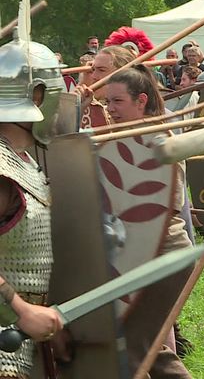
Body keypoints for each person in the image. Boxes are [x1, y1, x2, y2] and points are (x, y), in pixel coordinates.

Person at [104, 65, 194, 378]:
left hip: (163, 252)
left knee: (135, 344)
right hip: (141, 252)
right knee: (148, 345)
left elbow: (159, 204)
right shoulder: (122, 138)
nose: (110, 110)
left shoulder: (157, 138)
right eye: (107, 102)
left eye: (117, 102)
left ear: (141, 100)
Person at [0, 35, 65, 378]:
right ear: (38, 95)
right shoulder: (2, 168)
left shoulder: (25, 163)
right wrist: (22, 309)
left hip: (18, 338)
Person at [75, 45, 135, 129]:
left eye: (101, 70)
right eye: (93, 70)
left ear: (123, 74)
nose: (94, 76)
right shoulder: (90, 101)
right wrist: (83, 83)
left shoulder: (136, 107)